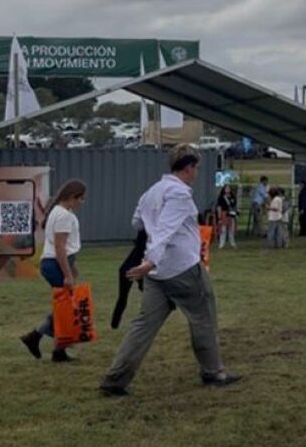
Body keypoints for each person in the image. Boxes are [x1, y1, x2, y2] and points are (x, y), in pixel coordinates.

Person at [100, 151, 241, 396]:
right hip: (182, 269)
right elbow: (166, 228)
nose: (196, 173)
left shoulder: (152, 191)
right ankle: (213, 372)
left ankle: (115, 379)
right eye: (196, 168)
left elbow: (137, 222)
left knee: (142, 326)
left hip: (157, 275)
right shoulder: (179, 194)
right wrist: (151, 259)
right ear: (187, 168)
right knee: (204, 318)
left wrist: (151, 260)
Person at [21, 179, 88, 363]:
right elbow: (59, 247)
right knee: (65, 308)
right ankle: (37, 338)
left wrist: (72, 268)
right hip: (55, 263)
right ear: (73, 197)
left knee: (64, 306)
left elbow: (61, 247)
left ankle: (54, 347)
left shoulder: (59, 212)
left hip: (54, 262)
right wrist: (67, 274)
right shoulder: (64, 216)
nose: (82, 203)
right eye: (81, 199)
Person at [215, 184, 239, 249]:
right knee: (223, 229)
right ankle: (221, 244)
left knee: (231, 229)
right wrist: (219, 216)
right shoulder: (221, 197)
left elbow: (234, 206)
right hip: (224, 213)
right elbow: (219, 207)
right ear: (224, 189)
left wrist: (236, 212)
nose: (228, 189)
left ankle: (232, 243)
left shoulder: (233, 196)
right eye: (226, 188)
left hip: (231, 214)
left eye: (229, 188)